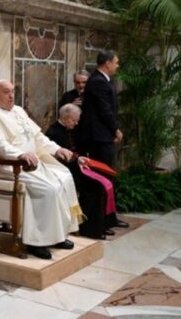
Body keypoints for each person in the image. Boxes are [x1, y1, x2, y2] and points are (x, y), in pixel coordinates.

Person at [0, 80, 84, 260]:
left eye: (12, 91)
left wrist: (57, 149)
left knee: (63, 179)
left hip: (31, 162)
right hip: (7, 165)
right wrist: (20, 155)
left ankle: (57, 235)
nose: (11, 96)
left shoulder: (18, 111)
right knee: (48, 190)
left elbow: (38, 137)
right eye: (5, 92)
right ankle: (36, 241)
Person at [77, 50, 128, 229]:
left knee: (107, 178)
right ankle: (100, 220)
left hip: (102, 136)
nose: (117, 65)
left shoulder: (101, 80)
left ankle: (107, 218)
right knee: (102, 179)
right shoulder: (98, 81)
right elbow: (104, 110)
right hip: (97, 139)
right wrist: (114, 129)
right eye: (116, 62)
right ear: (107, 63)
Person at [46, 104, 107, 240]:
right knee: (93, 186)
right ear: (66, 118)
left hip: (75, 168)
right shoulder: (53, 132)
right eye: (74, 120)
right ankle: (88, 228)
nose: (76, 123)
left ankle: (97, 227)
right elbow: (58, 159)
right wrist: (77, 162)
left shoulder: (70, 129)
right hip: (63, 172)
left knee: (98, 182)